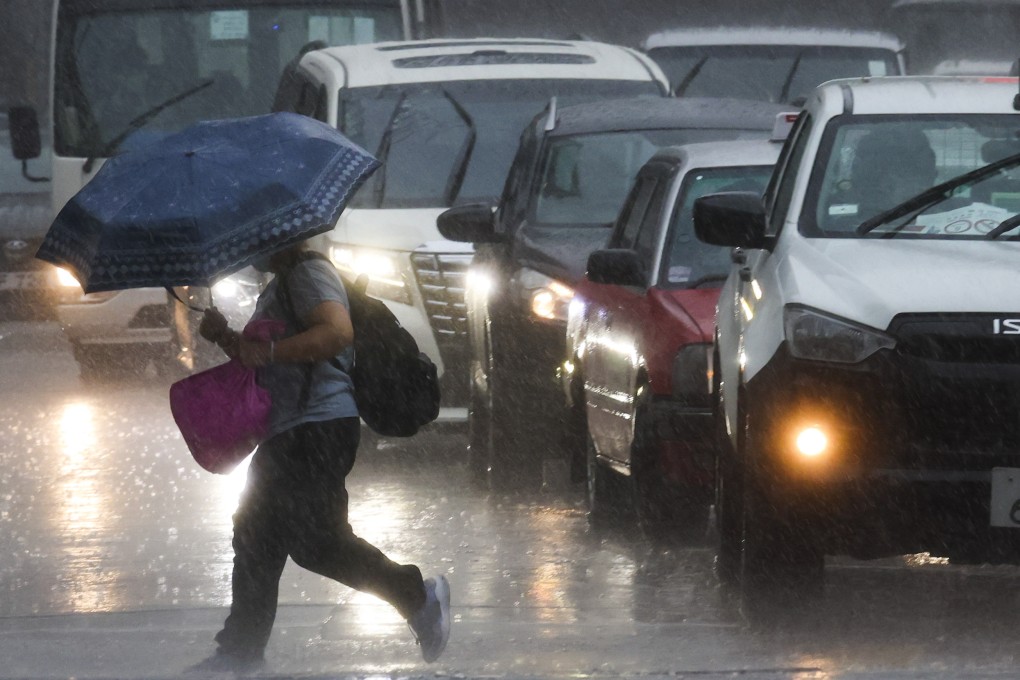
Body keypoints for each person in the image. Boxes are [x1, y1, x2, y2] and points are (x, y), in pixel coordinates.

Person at [189, 240, 450, 672]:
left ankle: (416, 594)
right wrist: (227, 339)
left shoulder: (308, 273)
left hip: (317, 426)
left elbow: (335, 333)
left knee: (316, 543)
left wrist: (267, 351)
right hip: (289, 429)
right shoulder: (283, 283)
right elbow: (272, 362)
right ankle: (239, 653)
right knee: (256, 535)